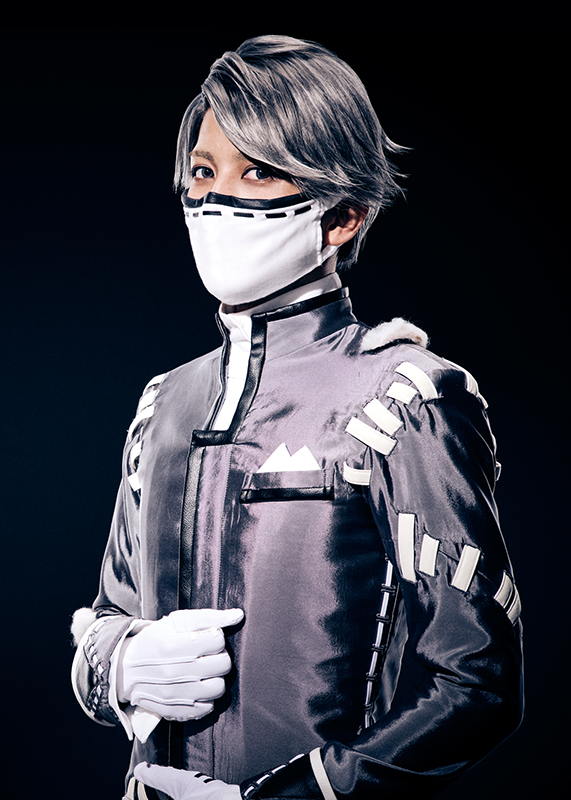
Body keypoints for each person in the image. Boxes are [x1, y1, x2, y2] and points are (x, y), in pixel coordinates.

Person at [71, 35, 524, 800]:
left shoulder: (405, 396)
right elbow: (108, 613)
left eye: (257, 172)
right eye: (203, 172)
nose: (216, 199)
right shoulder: (163, 402)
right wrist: (116, 665)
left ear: (342, 214)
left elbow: (476, 683)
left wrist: (296, 796)